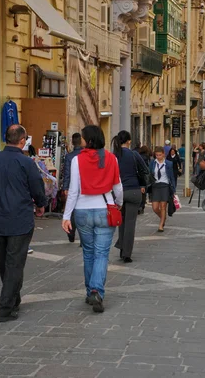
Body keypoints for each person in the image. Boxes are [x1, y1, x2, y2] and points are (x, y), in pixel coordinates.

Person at [0, 125, 47, 322]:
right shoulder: (26, 162)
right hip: (20, 219)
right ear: (22, 141)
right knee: (14, 263)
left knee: (4, 263)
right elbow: (37, 188)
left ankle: (13, 299)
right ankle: (4, 308)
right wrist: (41, 205)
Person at [61, 125, 123, 313]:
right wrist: (118, 203)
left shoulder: (77, 160)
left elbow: (73, 190)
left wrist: (66, 216)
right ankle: (96, 289)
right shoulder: (111, 158)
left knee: (88, 252)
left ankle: (90, 291)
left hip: (82, 210)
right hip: (105, 208)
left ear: (88, 140)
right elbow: (118, 186)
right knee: (102, 253)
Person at [112, 130, 144, 263]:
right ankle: (127, 253)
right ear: (129, 141)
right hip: (134, 191)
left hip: (119, 191)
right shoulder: (134, 154)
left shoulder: (114, 155)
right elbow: (144, 169)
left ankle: (121, 249)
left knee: (121, 222)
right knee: (130, 223)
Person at [62, 133, 83, 243]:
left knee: (72, 210)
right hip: (84, 186)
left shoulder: (69, 156)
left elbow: (66, 173)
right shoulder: (85, 154)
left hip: (72, 185)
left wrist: (65, 187)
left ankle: (71, 232)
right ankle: (82, 234)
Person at [149, 147, 176, 232]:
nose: (158, 156)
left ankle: (161, 225)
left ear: (163, 154)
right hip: (155, 186)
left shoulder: (168, 163)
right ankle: (162, 217)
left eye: (160, 155)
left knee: (163, 206)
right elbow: (150, 174)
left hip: (165, 186)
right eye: (156, 155)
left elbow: (172, 177)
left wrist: (174, 189)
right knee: (155, 207)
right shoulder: (152, 163)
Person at [138, 145, 151, 214]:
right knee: (144, 192)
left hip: (139, 175)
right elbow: (148, 167)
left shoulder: (138, 156)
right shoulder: (147, 157)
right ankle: (142, 206)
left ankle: (139, 206)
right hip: (145, 176)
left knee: (140, 191)